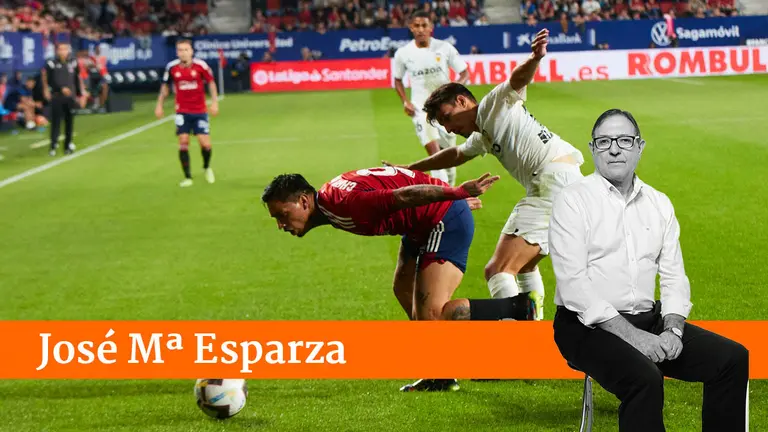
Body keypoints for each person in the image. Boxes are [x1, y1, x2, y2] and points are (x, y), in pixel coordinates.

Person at [549, 109, 749, 432]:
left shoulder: (659, 204)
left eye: (624, 140)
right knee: (645, 377)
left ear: (640, 147)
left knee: (731, 359)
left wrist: (673, 330)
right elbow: (575, 286)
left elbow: (674, 278)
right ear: (592, 149)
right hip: (584, 328)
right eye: (604, 142)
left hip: (647, 319)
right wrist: (638, 340)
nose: (614, 149)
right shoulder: (573, 201)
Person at [262, 167, 538, 392]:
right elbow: (388, 176)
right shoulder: (329, 197)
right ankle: (441, 373)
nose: (280, 225)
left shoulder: (344, 203)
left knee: (436, 314)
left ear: (303, 201)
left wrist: (454, 195)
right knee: (403, 289)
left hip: (442, 221)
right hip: (419, 225)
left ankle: (516, 308)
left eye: (282, 215)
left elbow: (403, 195)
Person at [385, 29, 583, 319]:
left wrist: (534, 58)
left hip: (553, 184)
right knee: (525, 265)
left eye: (448, 118)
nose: (448, 129)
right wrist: (410, 169)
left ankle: (518, 330)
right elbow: (455, 154)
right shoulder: (483, 134)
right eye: (443, 125)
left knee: (498, 270)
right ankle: (535, 323)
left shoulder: (493, 104)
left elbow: (517, 79)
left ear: (463, 102)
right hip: (562, 182)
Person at [393, 10, 469, 186]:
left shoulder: (444, 48)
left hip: (447, 109)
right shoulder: (403, 53)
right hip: (421, 110)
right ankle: (445, 199)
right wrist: (405, 101)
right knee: (435, 154)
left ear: (431, 28)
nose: (420, 29)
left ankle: (449, 190)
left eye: (424, 25)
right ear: (411, 28)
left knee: (449, 159)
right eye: (416, 25)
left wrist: (453, 89)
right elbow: (397, 80)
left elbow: (464, 72)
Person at [155, 39, 219, 187]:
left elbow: (211, 83)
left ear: (191, 51)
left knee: (205, 144)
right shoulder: (172, 68)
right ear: (177, 52)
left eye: (185, 50)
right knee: (183, 142)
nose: (183, 53)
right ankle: (188, 177)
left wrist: (214, 102)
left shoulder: (201, 66)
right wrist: (159, 105)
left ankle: (206, 167)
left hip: (200, 111)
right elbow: (165, 87)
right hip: (182, 112)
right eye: (180, 50)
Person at [41, 43, 87, 156]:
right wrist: (60, 89)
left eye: (65, 49)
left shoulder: (73, 62)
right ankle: (53, 146)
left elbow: (76, 79)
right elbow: (50, 80)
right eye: (60, 49)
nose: (63, 52)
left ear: (69, 51)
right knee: (56, 122)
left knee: (69, 122)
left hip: (70, 98)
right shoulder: (51, 63)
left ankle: (68, 145)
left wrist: (80, 94)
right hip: (57, 96)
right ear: (57, 51)